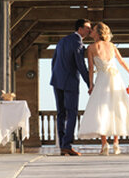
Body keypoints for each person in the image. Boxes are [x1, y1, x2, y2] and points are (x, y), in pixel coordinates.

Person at [77, 21, 129, 155]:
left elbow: (90, 68)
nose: (91, 32)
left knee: (102, 110)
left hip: (102, 80)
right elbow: (122, 62)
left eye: (93, 30)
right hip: (116, 79)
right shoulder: (111, 46)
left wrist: (90, 85)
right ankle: (116, 144)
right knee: (115, 109)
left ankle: (104, 145)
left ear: (98, 32)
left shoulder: (91, 48)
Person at [50, 18, 92, 156]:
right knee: (72, 112)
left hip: (56, 80)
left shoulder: (62, 41)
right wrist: (90, 83)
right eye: (87, 27)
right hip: (70, 82)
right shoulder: (77, 43)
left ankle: (63, 145)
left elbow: (54, 61)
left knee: (61, 113)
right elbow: (81, 66)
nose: (89, 30)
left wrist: (56, 76)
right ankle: (67, 145)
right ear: (80, 29)